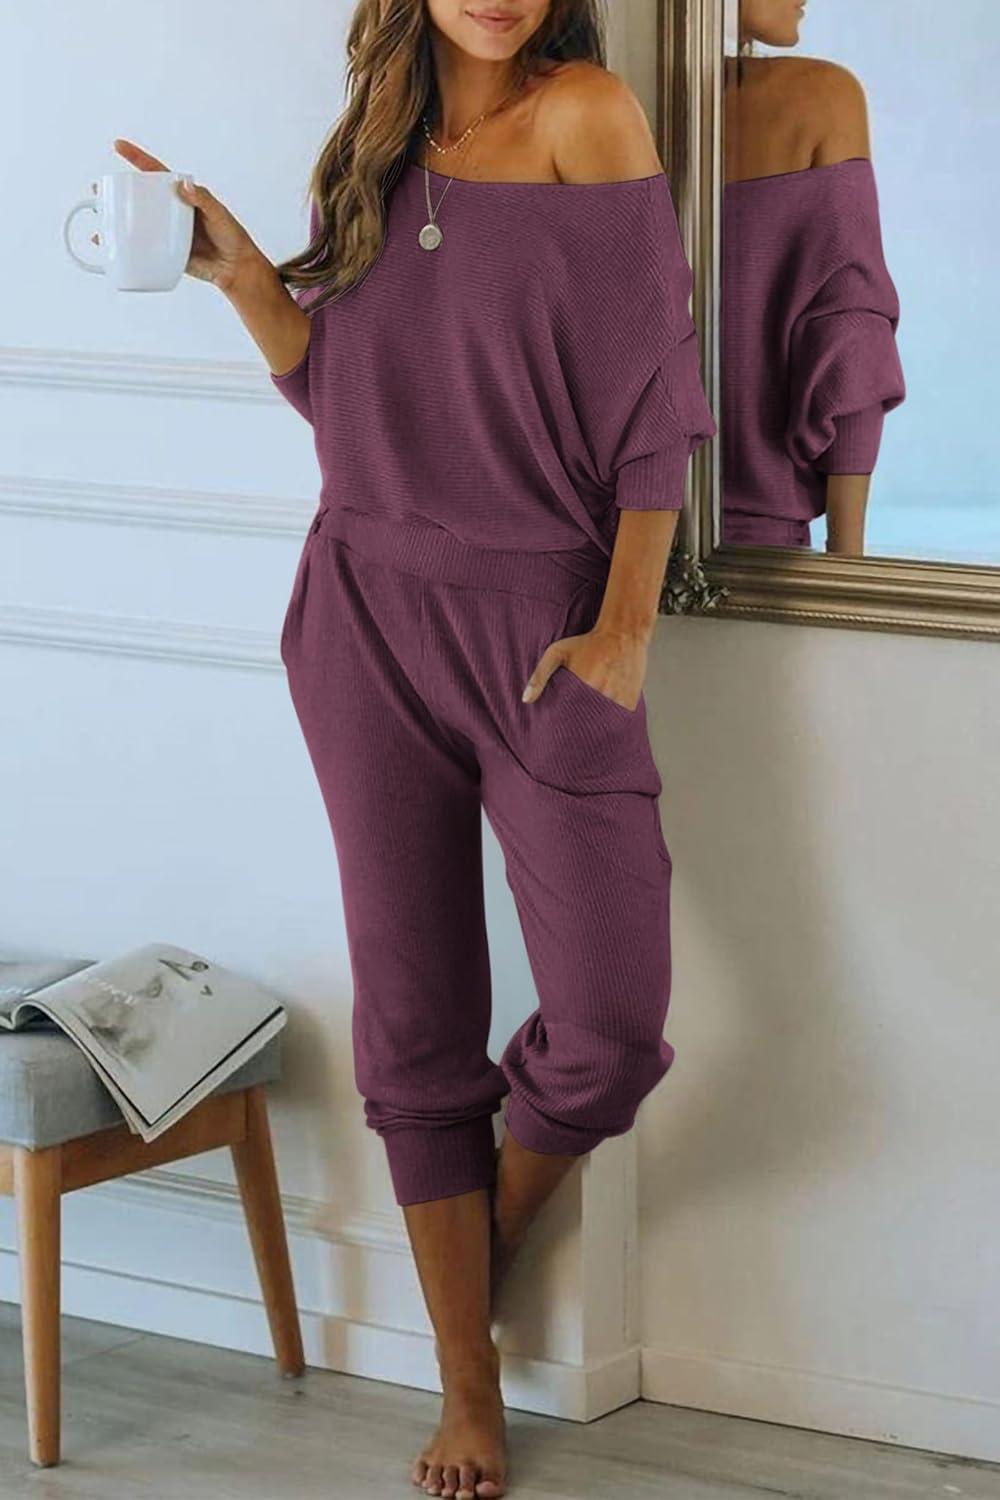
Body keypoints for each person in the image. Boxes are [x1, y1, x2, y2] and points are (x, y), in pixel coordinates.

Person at [114, 3, 715, 1494]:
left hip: (544, 627)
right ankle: (466, 1384)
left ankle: (470, 1262)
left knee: (612, 1023)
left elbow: (655, 393)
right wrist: (248, 278)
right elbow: (339, 391)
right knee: (413, 1012)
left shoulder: (588, 115)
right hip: (363, 612)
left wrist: (624, 632)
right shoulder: (374, 146)